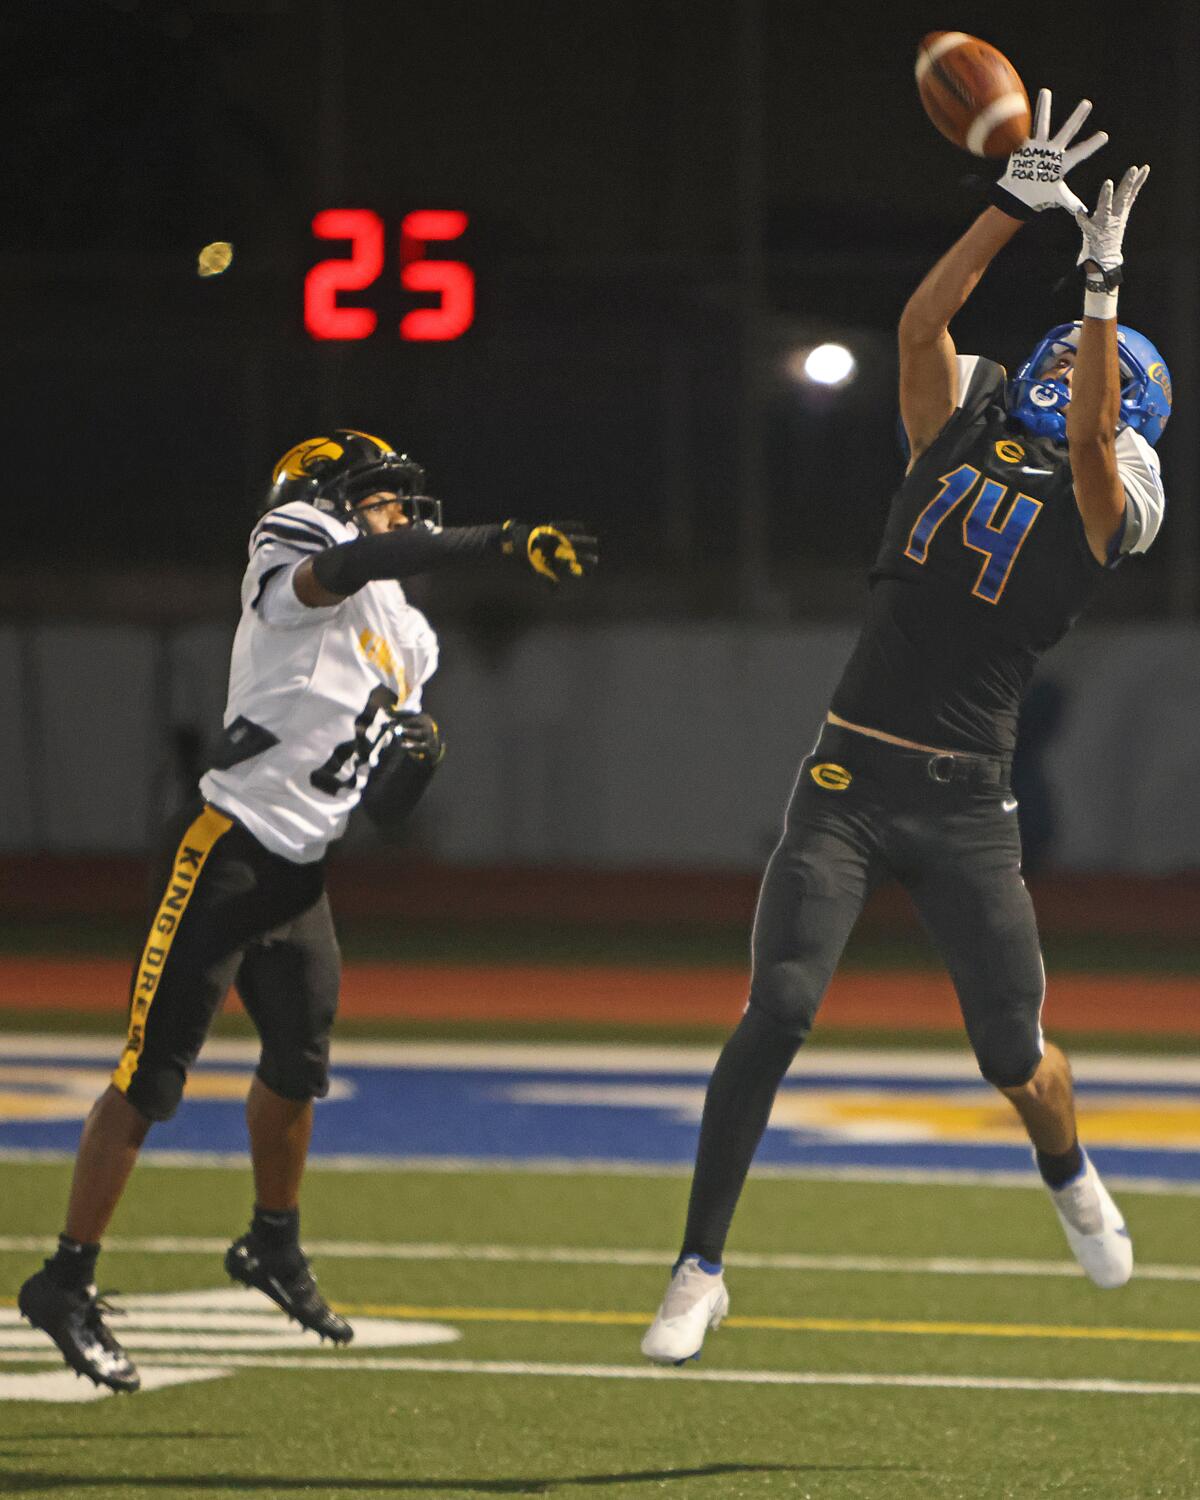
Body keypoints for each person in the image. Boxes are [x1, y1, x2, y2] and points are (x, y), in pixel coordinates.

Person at [643, 93, 1169, 1363]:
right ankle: (699, 1264)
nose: (1048, 375)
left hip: (965, 807)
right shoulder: (960, 424)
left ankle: (1067, 1169)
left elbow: (1097, 436)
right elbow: (921, 322)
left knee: (1013, 1054)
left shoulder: (1110, 500)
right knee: (775, 1007)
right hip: (847, 776)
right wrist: (1008, 207)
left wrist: (1100, 291)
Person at [19, 430, 597, 1391]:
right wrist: (499, 541)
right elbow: (353, 560)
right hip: (225, 850)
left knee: (298, 1066)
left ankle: (271, 1244)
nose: (401, 513)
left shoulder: (408, 634)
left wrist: (410, 769)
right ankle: (65, 1281)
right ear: (327, 495)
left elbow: (380, 800)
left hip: (299, 871)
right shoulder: (292, 542)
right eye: (379, 497)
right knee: (151, 1075)